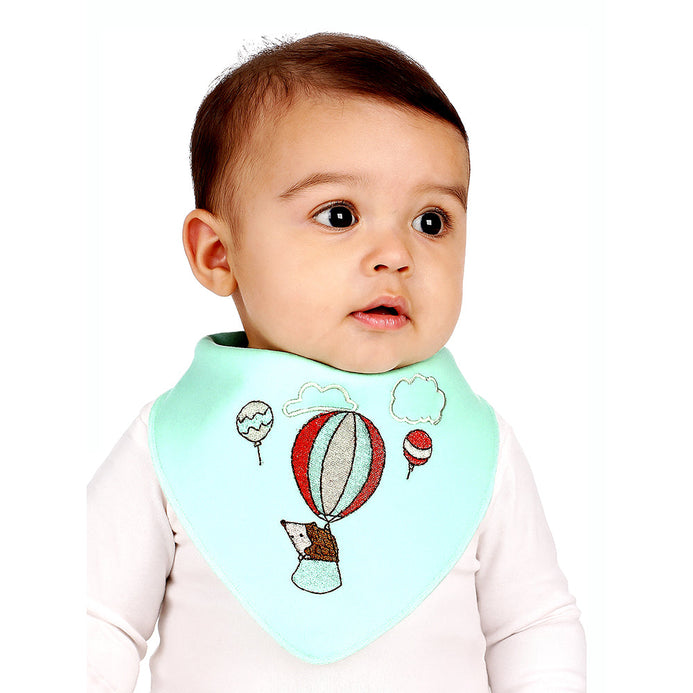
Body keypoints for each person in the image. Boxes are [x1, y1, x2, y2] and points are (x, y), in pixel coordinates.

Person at [87, 33, 586, 692]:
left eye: (431, 221)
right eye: (340, 214)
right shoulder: (171, 440)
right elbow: (95, 619)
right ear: (218, 254)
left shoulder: (476, 444)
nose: (396, 255)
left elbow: (531, 623)